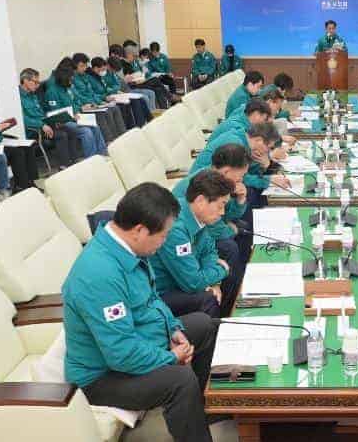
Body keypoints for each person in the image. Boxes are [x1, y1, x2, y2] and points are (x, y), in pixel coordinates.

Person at [62, 182, 216, 442]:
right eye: (164, 235)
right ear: (140, 230)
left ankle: (199, 409)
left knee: (203, 324)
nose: (165, 242)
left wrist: (173, 328)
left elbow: (152, 299)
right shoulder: (100, 275)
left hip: (138, 340)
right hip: (102, 376)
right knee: (180, 380)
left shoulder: (130, 249)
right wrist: (170, 356)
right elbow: (120, 353)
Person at [150, 170, 236, 319]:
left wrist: (214, 282)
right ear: (201, 201)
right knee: (208, 299)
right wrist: (223, 269)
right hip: (163, 293)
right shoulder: (175, 229)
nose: (222, 212)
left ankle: (226, 315)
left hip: (185, 276)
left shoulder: (197, 215)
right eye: (220, 206)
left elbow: (209, 251)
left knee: (228, 250)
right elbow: (192, 283)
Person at [173, 144, 253, 296]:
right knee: (229, 247)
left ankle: (239, 282)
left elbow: (210, 245)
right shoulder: (204, 188)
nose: (241, 179)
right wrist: (222, 270)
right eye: (240, 175)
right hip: (184, 258)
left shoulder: (218, 187)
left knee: (242, 228)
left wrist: (240, 200)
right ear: (227, 172)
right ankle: (231, 299)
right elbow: (216, 229)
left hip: (200, 239)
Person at [19, 68, 80, 170]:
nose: (37, 85)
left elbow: (41, 113)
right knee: (61, 135)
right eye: (35, 82)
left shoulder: (33, 95)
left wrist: (53, 120)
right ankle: (64, 165)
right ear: (25, 81)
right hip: (32, 129)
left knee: (71, 129)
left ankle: (74, 160)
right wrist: (41, 125)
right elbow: (22, 119)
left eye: (38, 82)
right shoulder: (17, 97)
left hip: (44, 124)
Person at [44, 64, 108, 158]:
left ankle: (102, 154)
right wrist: (72, 117)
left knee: (95, 126)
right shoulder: (52, 92)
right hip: (62, 121)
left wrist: (78, 111)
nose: (72, 80)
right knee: (86, 132)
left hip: (74, 117)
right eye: (70, 78)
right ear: (64, 78)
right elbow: (56, 113)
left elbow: (73, 103)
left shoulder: (67, 88)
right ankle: (91, 158)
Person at [72, 53, 126, 143]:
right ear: (75, 65)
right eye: (82, 66)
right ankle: (110, 141)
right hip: (84, 106)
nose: (84, 68)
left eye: (85, 65)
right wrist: (93, 103)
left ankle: (122, 135)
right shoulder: (73, 79)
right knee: (103, 113)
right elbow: (78, 96)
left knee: (114, 108)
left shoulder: (84, 76)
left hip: (93, 103)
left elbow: (92, 93)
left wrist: (100, 102)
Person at [121, 41, 171, 108]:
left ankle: (163, 109)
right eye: (134, 56)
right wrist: (137, 77)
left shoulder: (133, 62)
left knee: (158, 88)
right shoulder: (123, 64)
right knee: (155, 81)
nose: (135, 58)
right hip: (134, 85)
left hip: (140, 81)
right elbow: (126, 80)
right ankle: (170, 97)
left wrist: (142, 73)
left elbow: (141, 72)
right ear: (128, 54)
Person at [107, 56, 153, 124]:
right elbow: (109, 88)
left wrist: (122, 82)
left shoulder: (113, 73)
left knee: (142, 99)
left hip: (125, 91)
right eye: (113, 70)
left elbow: (117, 83)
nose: (114, 72)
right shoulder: (105, 75)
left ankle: (150, 120)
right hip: (118, 94)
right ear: (109, 66)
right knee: (137, 100)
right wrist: (120, 85)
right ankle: (140, 124)